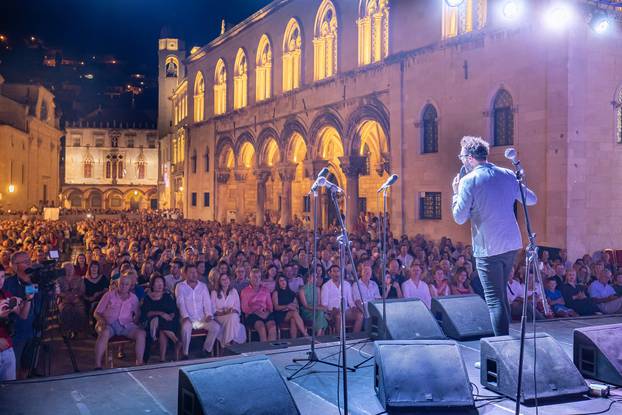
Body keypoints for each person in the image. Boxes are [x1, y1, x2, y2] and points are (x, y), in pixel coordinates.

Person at [452, 136, 537, 336]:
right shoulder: (507, 174)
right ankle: (506, 343)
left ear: (471, 158)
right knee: (501, 296)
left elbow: (459, 217)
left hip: (488, 248)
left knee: (494, 300)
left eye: (463, 157)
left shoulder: (468, 180)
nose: (462, 161)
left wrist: (455, 193)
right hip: (511, 245)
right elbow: (532, 199)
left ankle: (501, 351)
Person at [93, 274, 146, 369]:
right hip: (108, 323)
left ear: (130, 286)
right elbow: (96, 313)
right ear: (117, 284)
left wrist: (136, 323)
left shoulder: (133, 298)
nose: (124, 286)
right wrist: (101, 321)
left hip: (125, 325)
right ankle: (97, 365)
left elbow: (137, 314)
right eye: (121, 284)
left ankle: (139, 363)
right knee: (104, 333)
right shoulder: (109, 295)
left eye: (126, 284)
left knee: (141, 334)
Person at [176, 263, 221, 358]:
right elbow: (180, 303)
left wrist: (209, 314)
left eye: (195, 272)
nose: (194, 274)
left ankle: (206, 350)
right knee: (185, 328)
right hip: (188, 318)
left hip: (202, 318)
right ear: (185, 274)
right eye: (191, 272)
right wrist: (185, 316)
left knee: (216, 327)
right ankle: (185, 353)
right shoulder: (180, 286)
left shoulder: (203, 286)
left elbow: (207, 302)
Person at [0, 264, 30, 381]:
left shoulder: (6, 295)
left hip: (8, 350)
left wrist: (28, 299)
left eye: (2, 277)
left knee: (10, 388)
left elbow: (23, 315)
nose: (0, 281)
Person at [141, 273, 178, 362]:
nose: (160, 285)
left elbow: (173, 311)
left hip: (167, 322)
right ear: (152, 285)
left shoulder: (167, 296)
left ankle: (162, 359)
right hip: (151, 323)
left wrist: (170, 316)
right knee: (158, 320)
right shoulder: (147, 298)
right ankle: (175, 340)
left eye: (161, 282)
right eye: (157, 282)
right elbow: (147, 313)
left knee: (162, 329)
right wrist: (161, 313)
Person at [321, 265, 363, 334]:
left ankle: (354, 337)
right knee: (339, 316)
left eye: (338, 271)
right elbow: (324, 304)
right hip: (332, 312)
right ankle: (339, 340)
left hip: (346, 311)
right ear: (330, 273)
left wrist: (354, 307)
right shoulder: (326, 286)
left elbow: (350, 301)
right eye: (334, 271)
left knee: (360, 315)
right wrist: (332, 310)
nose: (336, 273)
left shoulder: (346, 284)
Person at [241, 268, 277, 342]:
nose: (257, 279)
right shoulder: (245, 291)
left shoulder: (265, 290)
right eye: (254, 277)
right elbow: (244, 308)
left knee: (272, 327)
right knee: (261, 328)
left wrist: (267, 312)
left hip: (265, 313)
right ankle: (264, 351)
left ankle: (272, 351)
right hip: (252, 314)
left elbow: (270, 306)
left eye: (259, 277)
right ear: (250, 279)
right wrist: (256, 312)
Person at [211, 273, 246, 346]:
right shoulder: (214, 292)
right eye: (223, 279)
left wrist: (231, 311)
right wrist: (224, 313)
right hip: (219, 317)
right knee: (235, 322)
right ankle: (233, 343)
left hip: (232, 315)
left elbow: (237, 308)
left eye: (226, 279)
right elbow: (212, 309)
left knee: (233, 317)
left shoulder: (234, 291)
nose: (225, 281)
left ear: (229, 280)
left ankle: (227, 343)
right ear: (219, 282)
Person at [57, 262, 86, 337]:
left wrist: (76, 296)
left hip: (76, 299)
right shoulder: (59, 279)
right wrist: (66, 296)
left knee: (79, 310)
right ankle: (67, 330)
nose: (69, 270)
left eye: (71, 268)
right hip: (63, 299)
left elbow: (82, 290)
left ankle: (77, 330)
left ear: (73, 269)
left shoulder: (79, 278)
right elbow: (57, 291)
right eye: (67, 268)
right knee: (66, 310)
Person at [298, 272, 329, 336]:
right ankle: (319, 336)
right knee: (321, 314)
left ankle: (318, 335)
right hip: (307, 312)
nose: (316, 279)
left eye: (316, 277)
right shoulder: (302, 290)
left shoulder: (317, 289)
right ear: (308, 278)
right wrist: (318, 309)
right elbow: (305, 306)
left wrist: (322, 308)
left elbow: (318, 303)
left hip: (317, 311)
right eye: (313, 277)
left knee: (321, 313)